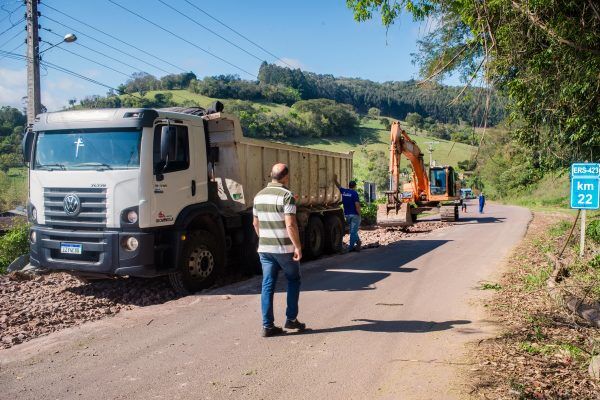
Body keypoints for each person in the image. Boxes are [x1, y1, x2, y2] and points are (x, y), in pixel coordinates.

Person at [253, 163, 306, 337]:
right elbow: (290, 224)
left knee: (267, 285)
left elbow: (255, 223)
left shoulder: (258, 196)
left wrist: (265, 239)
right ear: (286, 177)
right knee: (293, 279)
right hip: (284, 249)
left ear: (271, 175)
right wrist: (297, 246)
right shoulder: (287, 196)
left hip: (265, 249)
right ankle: (291, 319)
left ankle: (267, 326)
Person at [334, 175, 361, 252]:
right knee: (353, 231)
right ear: (355, 186)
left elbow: (338, 186)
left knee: (353, 230)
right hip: (354, 215)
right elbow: (357, 205)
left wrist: (335, 180)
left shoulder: (344, 191)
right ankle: (351, 247)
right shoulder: (354, 193)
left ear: (349, 186)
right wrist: (359, 214)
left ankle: (358, 242)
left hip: (347, 215)